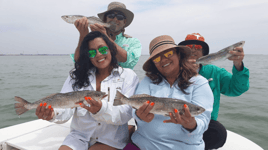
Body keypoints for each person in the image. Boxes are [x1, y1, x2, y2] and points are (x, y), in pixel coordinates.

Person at [35, 31, 139, 150]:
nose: (99, 54)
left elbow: (126, 113)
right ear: (87, 56)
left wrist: (101, 109)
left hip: (111, 139)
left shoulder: (129, 76)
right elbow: (65, 106)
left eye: (103, 49)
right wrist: (52, 114)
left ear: (111, 49)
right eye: (92, 52)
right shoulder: (76, 76)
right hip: (79, 137)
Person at [131, 35, 214, 150]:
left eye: (168, 54)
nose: (164, 59)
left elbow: (203, 120)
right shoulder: (147, 80)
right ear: (154, 63)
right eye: (157, 58)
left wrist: (191, 124)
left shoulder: (199, 83)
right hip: (143, 144)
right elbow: (134, 109)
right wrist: (139, 116)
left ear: (178, 54)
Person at [178, 33, 250, 150]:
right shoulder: (174, 71)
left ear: (204, 53)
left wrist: (238, 64)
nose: (193, 50)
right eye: (189, 46)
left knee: (218, 133)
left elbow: (237, 89)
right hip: (177, 120)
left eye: (198, 48)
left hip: (205, 125)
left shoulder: (215, 72)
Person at [71, 1, 142, 69]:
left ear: (124, 22)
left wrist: (105, 36)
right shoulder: (94, 39)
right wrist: (83, 35)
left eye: (120, 17)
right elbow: (79, 62)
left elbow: (127, 61)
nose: (115, 19)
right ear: (105, 20)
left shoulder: (133, 42)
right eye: (111, 16)